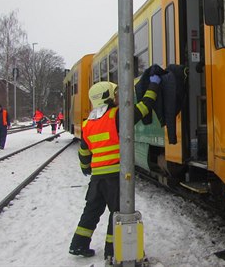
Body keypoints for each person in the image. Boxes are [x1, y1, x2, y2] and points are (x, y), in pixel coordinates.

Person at [69, 68, 162, 261]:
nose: (119, 97)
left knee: (91, 210)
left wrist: (86, 168)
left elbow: (84, 152)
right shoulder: (117, 116)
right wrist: (153, 84)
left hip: (97, 178)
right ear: (108, 97)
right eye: (116, 94)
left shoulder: (87, 124)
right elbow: (145, 106)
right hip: (115, 177)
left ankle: (78, 244)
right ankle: (113, 250)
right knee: (118, 213)